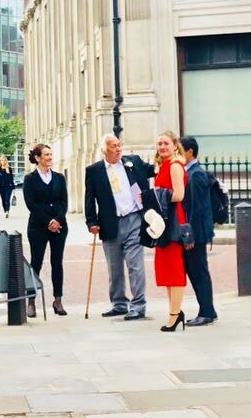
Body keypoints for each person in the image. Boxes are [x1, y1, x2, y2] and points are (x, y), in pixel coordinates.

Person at [84, 134, 154, 322]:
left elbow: (154, 170)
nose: (118, 149)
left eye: (119, 145)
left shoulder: (133, 162)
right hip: (110, 223)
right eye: (113, 146)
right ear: (104, 150)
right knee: (114, 268)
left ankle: (138, 305)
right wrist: (91, 222)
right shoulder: (94, 171)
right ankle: (119, 303)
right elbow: (89, 198)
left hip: (134, 219)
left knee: (135, 265)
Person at [22, 143, 68, 317]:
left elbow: (63, 201)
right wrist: (48, 221)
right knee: (36, 262)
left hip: (59, 226)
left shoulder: (59, 178)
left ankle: (58, 300)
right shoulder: (30, 179)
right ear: (37, 158)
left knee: (57, 262)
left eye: (50, 154)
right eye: (46, 155)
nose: (50, 157)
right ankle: (31, 301)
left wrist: (57, 220)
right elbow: (31, 203)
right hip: (38, 226)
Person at [153, 131, 189, 332]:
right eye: (159, 144)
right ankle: (174, 311)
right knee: (166, 269)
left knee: (174, 269)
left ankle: (174, 315)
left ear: (175, 145)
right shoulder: (164, 165)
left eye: (166, 143)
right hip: (164, 220)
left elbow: (179, 195)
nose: (162, 147)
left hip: (173, 220)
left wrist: (155, 195)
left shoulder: (175, 165)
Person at [180, 136, 217, 326]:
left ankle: (206, 312)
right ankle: (208, 309)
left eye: (180, 151)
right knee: (195, 271)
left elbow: (197, 208)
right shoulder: (190, 172)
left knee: (199, 272)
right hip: (195, 232)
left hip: (196, 234)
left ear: (190, 152)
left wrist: (189, 236)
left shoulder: (195, 174)